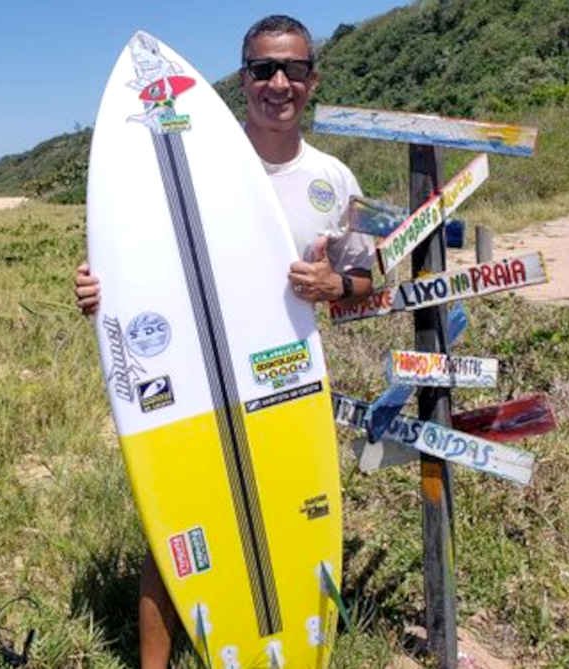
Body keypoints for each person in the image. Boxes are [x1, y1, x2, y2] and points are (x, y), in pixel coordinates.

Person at [74, 15, 374, 666]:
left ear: (312, 79)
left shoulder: (337, 182)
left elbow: (367, 281)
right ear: (243, 80)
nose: (278, 82)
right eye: (264, 68)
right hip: (187, 386)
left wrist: (336, 284)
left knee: (292, 517)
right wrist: (101, 296)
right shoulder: (191, 160)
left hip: (283, 383)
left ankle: (292, 643)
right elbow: (133, 266)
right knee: (176, 529)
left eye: (293, 69)